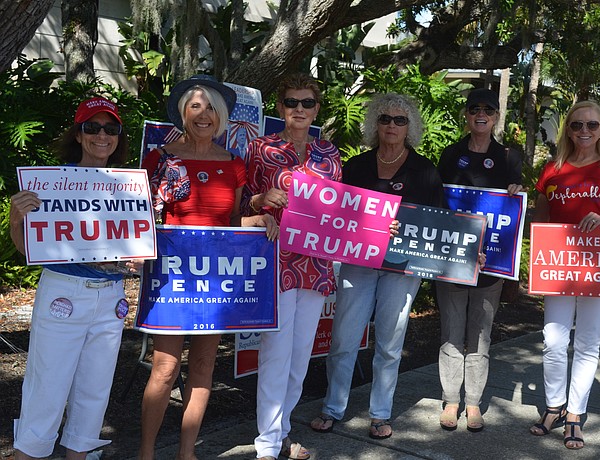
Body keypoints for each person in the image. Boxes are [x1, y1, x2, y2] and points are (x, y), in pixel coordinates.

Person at [138, 74, 277, 460]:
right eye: (195, 106)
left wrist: (255, 221)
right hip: (172, 281)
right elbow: (141, 216)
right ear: (183, 113)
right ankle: (146, 452)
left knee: (202, 367)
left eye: (211, 108)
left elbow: (230, 224)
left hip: (216, 281)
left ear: (222, 117)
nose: (203, 114)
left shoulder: (233, 164)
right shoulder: (161, 158)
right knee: (164, 369)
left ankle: (187, 452)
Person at [10, 97, 141, 460]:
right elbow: (26, 249)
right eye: (93, 127)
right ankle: (26, 454)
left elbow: (135, 251)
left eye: (110, 129)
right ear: (79, 135)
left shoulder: (128, 188)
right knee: (47, 385)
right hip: (63, 292)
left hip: (111, 295)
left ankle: (79, 454)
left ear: (118, 137)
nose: (102, 135)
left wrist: (137, 260)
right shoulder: (50, 185)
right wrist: (16, 217)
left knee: (95, 388)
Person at [310, 93, 444, 440]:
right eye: (385, 119)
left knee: (389, 342)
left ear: (410, 126)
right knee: (343, 338)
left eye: (400, 120)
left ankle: (380, 413)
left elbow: (438, 223)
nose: (392, 126)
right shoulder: (356, 166)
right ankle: (332, 407)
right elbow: (337, 213)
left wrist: (408, 225)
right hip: (359, 262)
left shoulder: (425, 170)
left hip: (402, 266)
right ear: (375, 124)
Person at [528, 100, 600, 449]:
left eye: (592, 126)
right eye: (577, 126)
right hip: (559, 265)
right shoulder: (552, 169)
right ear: (568, 130)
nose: (584, 132)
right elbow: (541, 222)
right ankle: (553, 407)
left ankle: (575, 414)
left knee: (588, 342)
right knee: (554, 340)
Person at [242, 73, 342, 460]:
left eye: (307, 103)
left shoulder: (330, 154)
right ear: (280, 107)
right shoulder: (259, 148)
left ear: (316, 108)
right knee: (275, 351)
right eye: (291, 102)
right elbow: (241, 205)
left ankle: (282, 431)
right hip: (275, 259)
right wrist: (260, 199)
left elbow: (341, 211)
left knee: (300, 354)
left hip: (316, 264)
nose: (299, 109)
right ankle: (267, 444)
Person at [434, 88, 523, 432]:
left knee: (481, 336)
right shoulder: (450, 153)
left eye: (488, 109)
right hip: (453, 260)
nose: (481, 115)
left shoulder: (508, 157)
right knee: (451, 333)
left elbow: (514, 209)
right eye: (475, 109)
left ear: (497, 116)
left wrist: (515, 192)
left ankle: (473, 403)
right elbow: (438, 203)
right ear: (467, 116)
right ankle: (450, 400)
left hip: (492, 264)